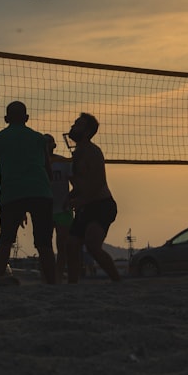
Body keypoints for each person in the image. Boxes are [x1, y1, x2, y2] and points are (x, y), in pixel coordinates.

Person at [0, 101, 56, 284]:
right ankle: (52, 283)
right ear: (26, 118)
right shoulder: (40, 139)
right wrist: (49, 193)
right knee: (44, 243)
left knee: (5, 239)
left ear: (6, 118)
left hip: (12, 194)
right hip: (40, 192)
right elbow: (48, 170)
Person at [65, 113, 121, 283]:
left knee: (92, 245)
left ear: (87, 131)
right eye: (74, 123)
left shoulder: (93, 152)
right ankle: (73, 284)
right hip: (86, 206)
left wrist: (78, 200)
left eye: (78, 124)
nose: (73, 126)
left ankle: (117, 281)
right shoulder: (76, 154)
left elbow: (97, 183)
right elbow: (81, 187)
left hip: (102, 205)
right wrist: (68, 198)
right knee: (72, 245)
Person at [46, 134, 73, 283]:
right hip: (45, 210)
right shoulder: (36, 164)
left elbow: (76, 183)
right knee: (45, 246)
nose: (46, 145)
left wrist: (73, 199)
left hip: (63, 209)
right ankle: (48, 277)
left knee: (62, 246)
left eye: (49, 142)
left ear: (54, 145)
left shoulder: (63, 162)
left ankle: (58, 276)